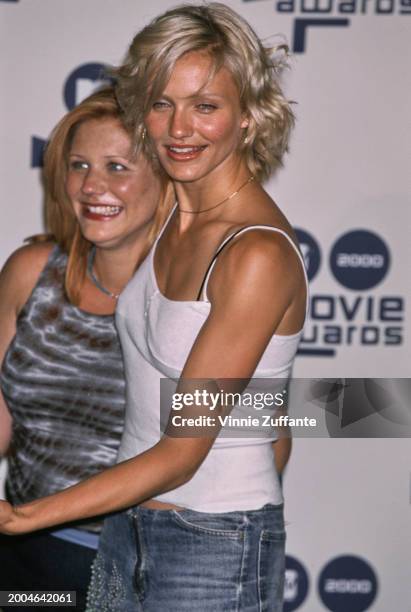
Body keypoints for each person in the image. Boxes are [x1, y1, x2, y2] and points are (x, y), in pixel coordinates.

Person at [0, 4, 308, 611]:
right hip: (128, 533)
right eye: (162, 103)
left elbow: (184, 449)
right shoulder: (174, 216)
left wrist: (21, 516)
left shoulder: (255, 255)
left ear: (248, 116)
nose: (178, 128)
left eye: (205, 106)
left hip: (211, 544)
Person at [0, 87, 170, 610]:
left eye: (118, 166)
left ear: (167, 180)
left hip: (144, 565)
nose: (92, 186)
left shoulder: (197, 295)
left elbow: (270, 435)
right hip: (24, 554)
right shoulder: (31, 271)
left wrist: (383, 405)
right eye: (79, 165)